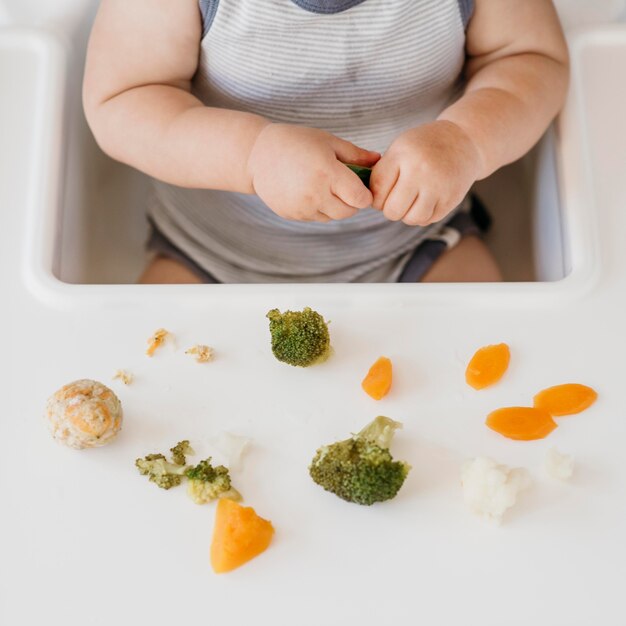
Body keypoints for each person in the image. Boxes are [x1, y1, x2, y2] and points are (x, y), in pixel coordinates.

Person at [83, 0, 568, 284]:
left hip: (416, 242)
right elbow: (124, 101)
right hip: (213, 250)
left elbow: (530, 59)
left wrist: (465, 139)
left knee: (489, 351)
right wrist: (251, 155)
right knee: (155, 375)